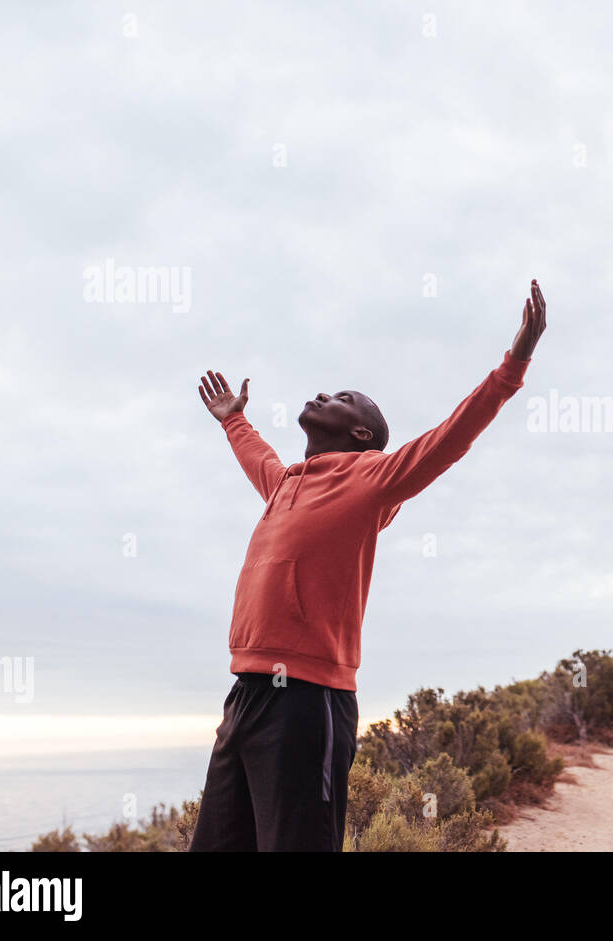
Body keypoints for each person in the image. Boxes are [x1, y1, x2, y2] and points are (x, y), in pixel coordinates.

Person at [188, 280, 548, 851]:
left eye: (343, 398)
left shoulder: (372, 479)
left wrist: (515, 363)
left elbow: (449, 438)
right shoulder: (284, 485)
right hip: (246, 693)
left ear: (361, 434)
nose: (325, 394)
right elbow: (259, 457)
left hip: (307, 699)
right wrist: (233, 419)